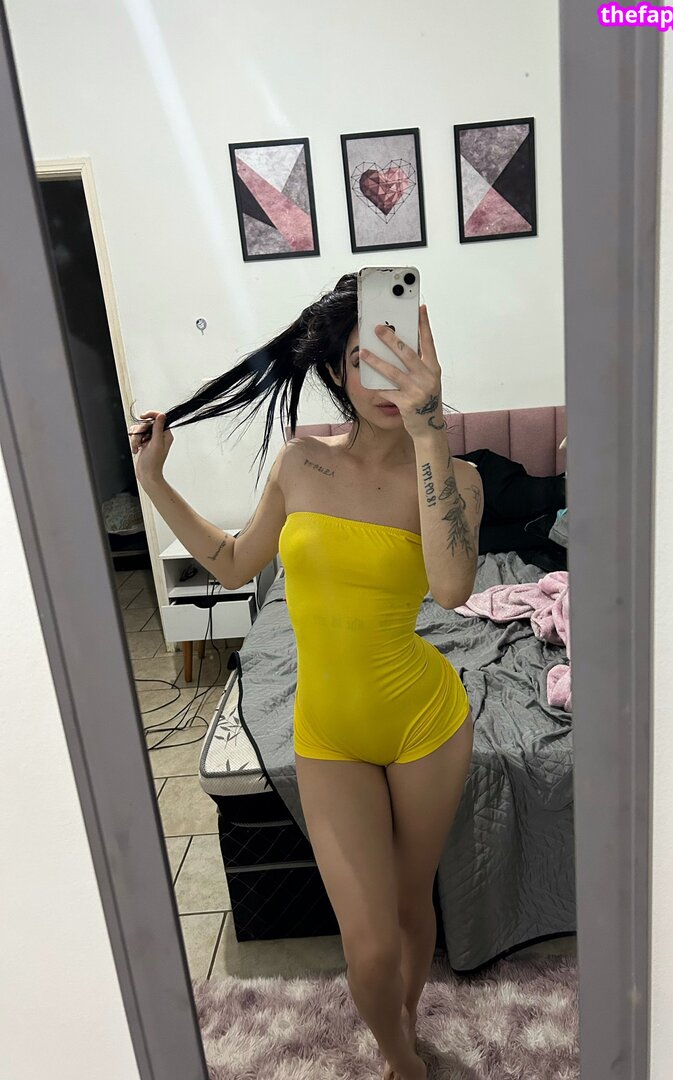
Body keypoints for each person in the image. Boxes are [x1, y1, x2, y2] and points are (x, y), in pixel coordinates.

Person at [128, 272, 484, 1080]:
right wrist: (153, 483)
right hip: (330, 734)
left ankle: (407, 1038)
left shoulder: (455, 479)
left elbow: (453, 589)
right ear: (335, 373)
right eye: (365, 361)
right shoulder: (299, 463)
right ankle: (404, 1059)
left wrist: (431, 430)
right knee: (369, 946)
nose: (385, 381)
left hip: (426, 723)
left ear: (427, 362)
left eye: (401, 357)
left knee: (410, 904)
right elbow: (231, 564)